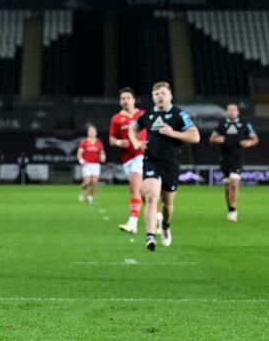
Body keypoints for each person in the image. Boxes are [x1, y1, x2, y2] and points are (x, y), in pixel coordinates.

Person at [129, 81, 200, 251]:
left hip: (171, 164)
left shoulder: (179, 114)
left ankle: (166, 226)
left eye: (162, 93)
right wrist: (136, 142)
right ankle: (150, 236)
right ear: (153, 97)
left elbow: (195, 137)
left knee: (167, 205)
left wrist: (173, 133)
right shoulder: (147, 115)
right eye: (156, 94)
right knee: (151, 197)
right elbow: (132, 129)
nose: (159, 96)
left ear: (170, 96)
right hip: (151, 160)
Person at [209, 103, 259, 222]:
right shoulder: (221, 124)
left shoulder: (245, 124)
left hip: (238, 158)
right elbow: (211, 139)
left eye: (234, 110)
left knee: (234, 184)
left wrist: (250, 143)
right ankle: (230, 209)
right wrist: (217, 139)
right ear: (227, 112)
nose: (231, 112)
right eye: (229, 110)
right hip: (224, 158)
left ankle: (233, 211)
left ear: (237, 112)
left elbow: (255, 138)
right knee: (227, 186)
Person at [109, 87, 147, 233]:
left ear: (134, 100)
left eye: (128, 98)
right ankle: (158, 216)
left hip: (141, 154)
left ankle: (133, 222)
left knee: (134, 188)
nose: (126, 101)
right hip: (127, 158)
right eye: (123, 98)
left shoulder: (142, 114)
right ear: (120, 102)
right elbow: (111, 139)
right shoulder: (116, 118)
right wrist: (119, 142)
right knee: (142, 191)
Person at [76, 125, 106, 204]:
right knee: (87, 181)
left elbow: (102, 152)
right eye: (90, 131)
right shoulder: (84, 142)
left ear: (96, 133)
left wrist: (103, 156)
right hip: (87, 164)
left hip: (96, 165)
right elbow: (79, 153)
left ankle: (90, 196)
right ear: (88, 133)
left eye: (93, 131)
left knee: (94, 182)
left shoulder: (99, 142)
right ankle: (82, 191)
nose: (92, 133)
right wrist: (81, 160)